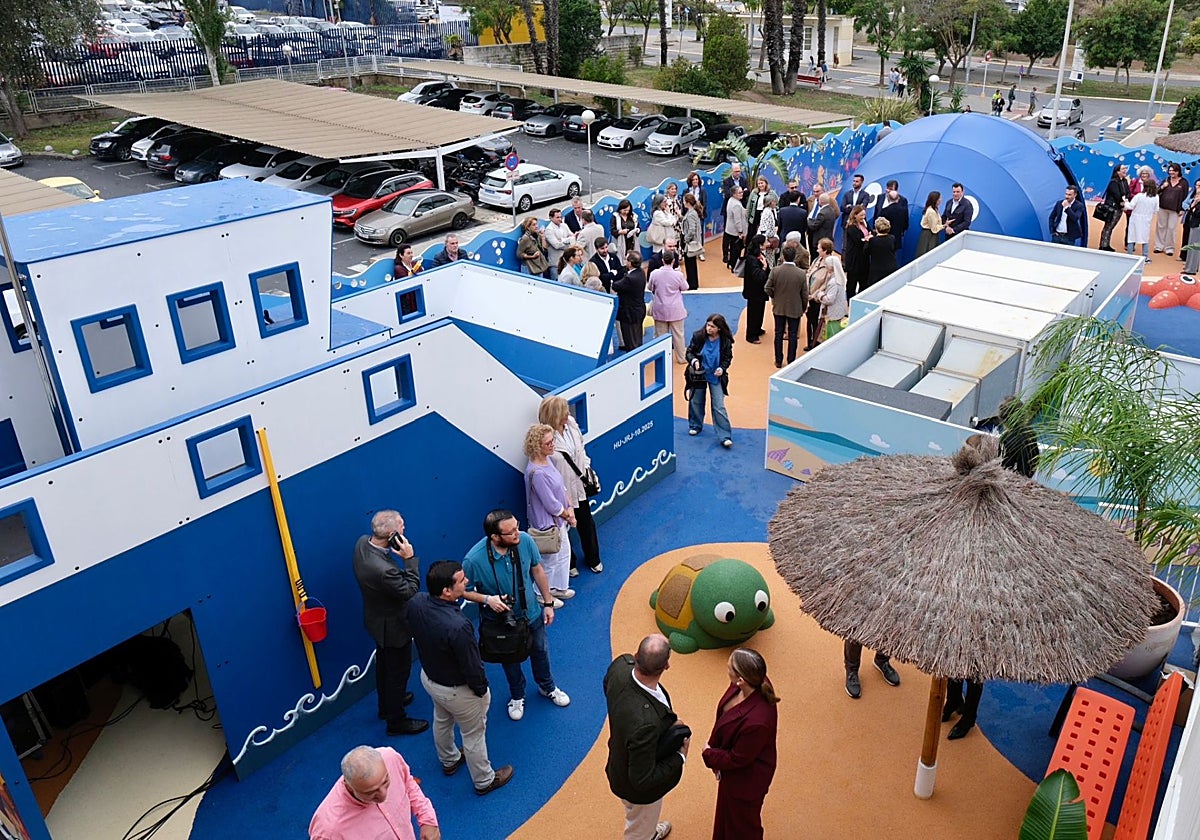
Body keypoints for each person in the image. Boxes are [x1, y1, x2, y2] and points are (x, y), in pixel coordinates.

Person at [407, 561, 514, 794]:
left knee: (442, 720)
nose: (466, 582)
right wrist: (481, 690)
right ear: (446, 591)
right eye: (462, 580)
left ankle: (449, 760)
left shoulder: (416, 602)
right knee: (474, 735)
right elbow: (472, 666)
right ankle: (484, 780)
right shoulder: (458, 625)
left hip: (430, 680)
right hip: (459, 691)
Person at [462, 509, 571, 721]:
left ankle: (547, 686)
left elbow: (537, 570)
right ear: (494, 537)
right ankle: (517, 695)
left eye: (517, 527)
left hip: (531, 613)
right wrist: (488, 600)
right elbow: (462, 590)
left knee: (540, 651)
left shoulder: (526, 540)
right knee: (510, 659)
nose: (517, 534)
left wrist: (548, 603)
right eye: (510, 532)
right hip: (501, 623)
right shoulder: (473, 560)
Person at [352, 510, 429, 737]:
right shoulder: (385, 571)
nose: (405, 528)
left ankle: (386, 705)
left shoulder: (361, 545)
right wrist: (409, 559)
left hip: (375, 620)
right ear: (393, 535)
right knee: (398, 673)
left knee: (384, 665)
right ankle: (396, 721)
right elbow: (410, 591)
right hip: (394, 627)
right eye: (402, 526)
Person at [604, 635, 688, 840]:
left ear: (635, 656)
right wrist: (680, 756)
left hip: (618, 760)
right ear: (666, 665)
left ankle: (647, 830)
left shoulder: (620, 666)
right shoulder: (645, 724)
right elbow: (643, 780)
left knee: (640, 820)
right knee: (639, 828)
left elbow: (607, 685)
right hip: (638, 792)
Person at [701, 649, 779, 840]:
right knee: (729, 818)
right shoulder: (753, 681)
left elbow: (739, 758)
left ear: (741, 680)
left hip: (746, 780)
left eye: (729, 667)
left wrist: (710, 754)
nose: (727, 669)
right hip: (734, 773)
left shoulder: (757, 722)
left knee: (743, 825)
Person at [308, 746, 439, 840]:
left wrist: (427, 819)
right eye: (371, 792)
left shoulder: (389, 758)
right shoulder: (329, 831)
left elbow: (408, 783)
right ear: (348, 785)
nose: (383, 795)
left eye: (386, 781)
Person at [539, 395, 603, 576]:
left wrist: (587, 466)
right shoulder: (544, 437)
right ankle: (570, 564)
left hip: (579, 485)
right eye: (563, 411)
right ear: (554, 415)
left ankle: (593, 558)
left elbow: (581, 448)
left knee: (586, 523)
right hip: (559, 490)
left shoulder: (572, 425)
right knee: (562, 528)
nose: (568, 413)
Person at [523, 423, 576, 605]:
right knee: (549, 560)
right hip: (546, 523)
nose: (553, 445)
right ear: (537, 446)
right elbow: (550, 503)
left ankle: (559, 587)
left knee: (564, 553)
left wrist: (569, 507)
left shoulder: (549, 460)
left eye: (552, 440)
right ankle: (541, 593)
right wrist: (568, 514)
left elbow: (561, 487)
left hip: (560, 519)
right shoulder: (536, 472)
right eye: (548, 443)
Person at [685, 313, 734, 447]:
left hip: (715, 375)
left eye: (712, 326)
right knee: (696, 401)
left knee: (719, 406)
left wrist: (722, 369)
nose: (709, 328)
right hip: (699, 374)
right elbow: (689, 352)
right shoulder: (698, 336)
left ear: (719, 328)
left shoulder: (725, 341)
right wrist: (694, 360)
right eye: (708, 325)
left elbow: (727, 358)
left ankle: (724, 435)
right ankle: (695, 425)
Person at [764, 244, 808, 368]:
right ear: (794, 257)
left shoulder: (775, 271)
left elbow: (767, 288)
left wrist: (775, 297)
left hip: (778, 307)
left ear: (783, 256)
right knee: (793, 335)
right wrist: (803, 307)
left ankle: (778, 360)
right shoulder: (801, 274)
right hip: (795, 308)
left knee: (778, 333)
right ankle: (791, 360)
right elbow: (804, 293)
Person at [648, 251, 689, 364]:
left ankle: (662, 359)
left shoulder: (654, 274)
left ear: (662, 260)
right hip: (675, 309)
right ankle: (681, 358)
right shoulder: (678, 275)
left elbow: (650, 287)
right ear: (673, 261)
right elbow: (685, 287)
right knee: (679, 335)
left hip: (660, 308)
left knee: (660, 335)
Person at [816, 237, 849, 341]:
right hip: (836, 313)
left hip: (833, 315)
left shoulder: (834, 282)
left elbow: (829, 299)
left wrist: (819, 294)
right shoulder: (838, 278)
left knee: (831, 337)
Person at [613, 252, 648, 351]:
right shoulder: (640, 272)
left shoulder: (629, 278)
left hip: (629, 314)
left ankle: (634, 364)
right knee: (637, 338)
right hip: (638, 310)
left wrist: (613, 279)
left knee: (631, 342)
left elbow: (615, 286)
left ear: (630, 263)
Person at [741, 234, 769, 343]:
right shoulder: (752, 259)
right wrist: (765, 267)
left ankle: (757, 329)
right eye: (765, 242)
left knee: (760, 310)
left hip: (759, 291)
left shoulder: (758, 255)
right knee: (753, 313)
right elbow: (759, 276)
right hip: (754, 291)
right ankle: (751, 335)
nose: (768, 243)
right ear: (760, 245)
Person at [1155, 162, 1189, 256]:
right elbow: (1157, 191)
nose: (1171, 173)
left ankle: (1169, 248)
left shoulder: (1184, 182)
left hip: (1175, 209)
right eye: (1170, 171)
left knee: (1171, 228)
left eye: (1173, 171)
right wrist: (1163, 186)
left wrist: (1182, 209)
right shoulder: (1166, 180)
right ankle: (1159, 246)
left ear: (1178, 171)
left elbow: (1185, 196)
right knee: (1161, 226)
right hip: (1163, 207)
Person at [720, 163, 749, 264]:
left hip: (740, 208)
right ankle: (725, 254)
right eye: (736, 171)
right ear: (732, 171)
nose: (738, 173)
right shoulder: (726, 181)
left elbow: (747, 191)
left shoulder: (743, 180)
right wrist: (742, 192)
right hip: (729, 211)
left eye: (739, 171)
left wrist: (741, 193)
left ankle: (733, 256)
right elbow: (727, 194)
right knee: (727, 234)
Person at [1098, 165, 1131, 252]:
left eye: (1125, 169)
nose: (1125, 170)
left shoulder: (1124, 181)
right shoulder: (1113, 182)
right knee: (1108, 226)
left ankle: (1106, 244)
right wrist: (1122, 203)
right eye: (1123, 169)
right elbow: (1116, 195)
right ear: (1117, 172)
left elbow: (1127, 192)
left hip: (1119, 208)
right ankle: (1103, 245)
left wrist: (1126, 200)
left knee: (1111, 226)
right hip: (1112, 208)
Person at [871, 180, 909, 253]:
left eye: (891, 189)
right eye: (887, 188)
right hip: (879, 233)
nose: (888, 190)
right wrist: (874, 228)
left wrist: (902, 231)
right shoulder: (880, 197)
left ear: (896, 190)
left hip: (894, 234)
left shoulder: (902, 200)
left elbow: (905, 218)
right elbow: (876, 213)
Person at [842, 204, 870, 300]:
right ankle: (850, 301)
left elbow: (871, 233)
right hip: (854, 259)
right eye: (861, 215)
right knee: (852, 283)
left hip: (863, 258)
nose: (863, 217)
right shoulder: (851, 227)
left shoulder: (864, 224)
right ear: (855, 215)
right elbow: (859, 240)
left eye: (864, 215)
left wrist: (867, 237)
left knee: (864, 282)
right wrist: (867, 238)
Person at [1125, 179, 1158, 258]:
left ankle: (1129, 255)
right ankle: (1145, 256)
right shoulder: (1156, 197)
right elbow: (1156, 210)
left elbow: (1130, 206)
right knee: (1145, 237)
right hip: (1147, 219)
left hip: (1135, 218)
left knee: (1131, 236)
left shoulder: (1139, 196)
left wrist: (1126, 202)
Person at [864, 216, 897, 289]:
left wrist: (867, 241)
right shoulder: (892, 238)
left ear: (876, 228)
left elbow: (866, 252)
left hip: (877, 270)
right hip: (891, 267)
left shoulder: (873, 241)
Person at [681, 193, 704, 290]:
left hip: (690, 243)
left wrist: (686, 239)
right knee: (691, 264)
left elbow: (692, 229)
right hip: (693, 241)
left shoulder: (691, 214)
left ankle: (692, 283)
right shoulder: (693, 212)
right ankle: (692, 282)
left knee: (690, 264)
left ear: (687, 203)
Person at [724, 184, 749, 272]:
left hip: (729, 230)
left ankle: (731, 263)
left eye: (742, 192)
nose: (742, 194)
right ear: (734, 194)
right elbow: (737, 220)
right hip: (735, 232)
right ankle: (734, 266)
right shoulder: (736, 205)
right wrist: (740, 232)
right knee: (736, 250)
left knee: (733, 249)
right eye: (739, 193)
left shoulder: (731, 200)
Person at [807, 192, 837, 261]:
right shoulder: (831, 210)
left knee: (817, 259)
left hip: (820, 240)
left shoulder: (822, 213)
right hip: (828, 238)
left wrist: (808, 220)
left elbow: (814, 226)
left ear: (821, 201)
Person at [610, 198, 641, 265]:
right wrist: (620, 232)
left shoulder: (633, 216)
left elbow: (639, 227)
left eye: (628, 210)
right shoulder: (615, 216)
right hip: (620, 242)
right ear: (620, 209)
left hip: (631, 242)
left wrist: (637, 230)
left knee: (632, 259)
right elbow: (612, 230)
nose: (626, 212)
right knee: (621, 260)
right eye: (624, 210)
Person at [544, 208, 573, 280]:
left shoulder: (564, 225)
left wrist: (563, 241)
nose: (560, 219)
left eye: (560, 217)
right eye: (557, 217)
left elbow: (573, 237)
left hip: (567, 262)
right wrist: (568, 242)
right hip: (555, 264)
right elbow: (556, 245)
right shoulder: (549, 230)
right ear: (551, 218)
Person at [684, 170, 707, 260]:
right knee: (689, 231)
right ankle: (690, 249)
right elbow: (684, 204)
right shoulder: (686, 191)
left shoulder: (702, 190)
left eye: (697, 179)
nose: (695, 181)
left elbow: (704, 203)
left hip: (699, 215)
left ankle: (700, 251)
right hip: (689, 215)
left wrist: (699, 213)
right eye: (693, 180)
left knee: (699, 233)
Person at [915, 190, 944, 257]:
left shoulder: (934, 209)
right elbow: (934, 229)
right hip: (929, 236)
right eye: (939, 198)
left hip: (930, 235)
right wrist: (944, 226)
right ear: (935, 200)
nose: (941, 200)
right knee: (927, 253)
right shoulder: (931, 212)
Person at [1182, 182, 1200, 271]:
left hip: (1197, 225)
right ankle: (1191, 267)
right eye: (1196, 185)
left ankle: (1191, 269)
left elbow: (1196, 212)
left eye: (1199, 186)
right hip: (1192, 223)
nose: (1197, 188)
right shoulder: (1195, 197)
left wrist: (1193, 206)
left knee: (1194, 247)